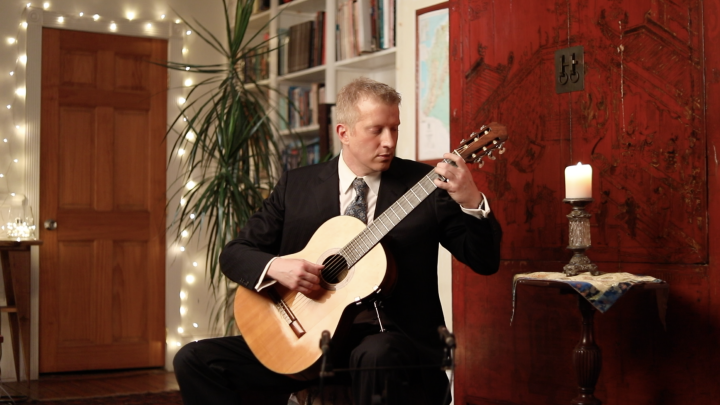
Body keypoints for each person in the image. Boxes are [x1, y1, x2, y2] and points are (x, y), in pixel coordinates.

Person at [173, 77, 502, 405]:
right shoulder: (296, 186)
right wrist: (277, 267)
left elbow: (484, 261)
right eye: (376, 130)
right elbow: (234, 254)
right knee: (194, 359)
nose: (389, 142)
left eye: (395, 129)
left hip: (388, 341)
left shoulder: (426, 185)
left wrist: (471, 201)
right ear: (343, 132)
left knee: (380, 354)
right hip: (304, 338)